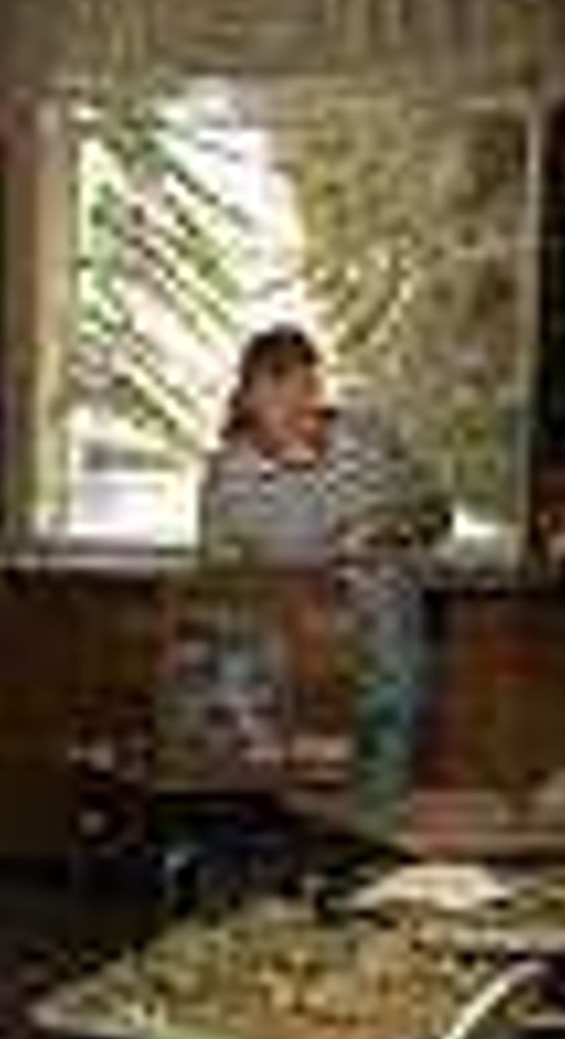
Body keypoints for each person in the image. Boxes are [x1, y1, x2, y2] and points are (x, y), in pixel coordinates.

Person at [190, 325, 452, 807]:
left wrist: (386, 529)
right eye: (277, 392)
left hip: (382, 654)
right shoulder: (228, 477)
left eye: (306, 389)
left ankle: (379, 828)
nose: (296, 407)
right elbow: (219, 583)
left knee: (381, 787)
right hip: (289, 659)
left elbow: (438, 514)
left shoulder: (369, 443)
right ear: (248, 397)